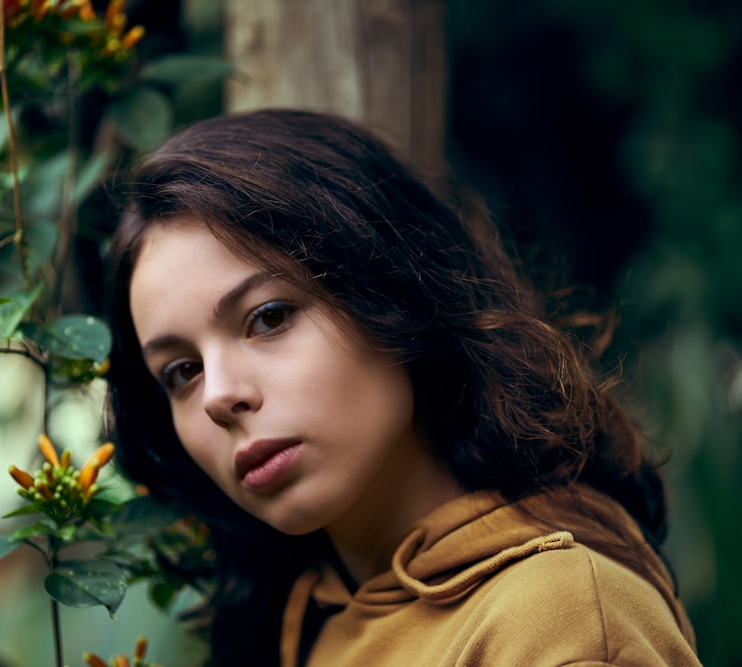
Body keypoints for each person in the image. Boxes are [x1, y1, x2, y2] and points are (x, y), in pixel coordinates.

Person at [103, 108, 701, 666]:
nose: (217, 397)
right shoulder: (307, 618)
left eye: (269, 317)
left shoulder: (560, 622)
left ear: (390, 292)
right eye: (182, 372)